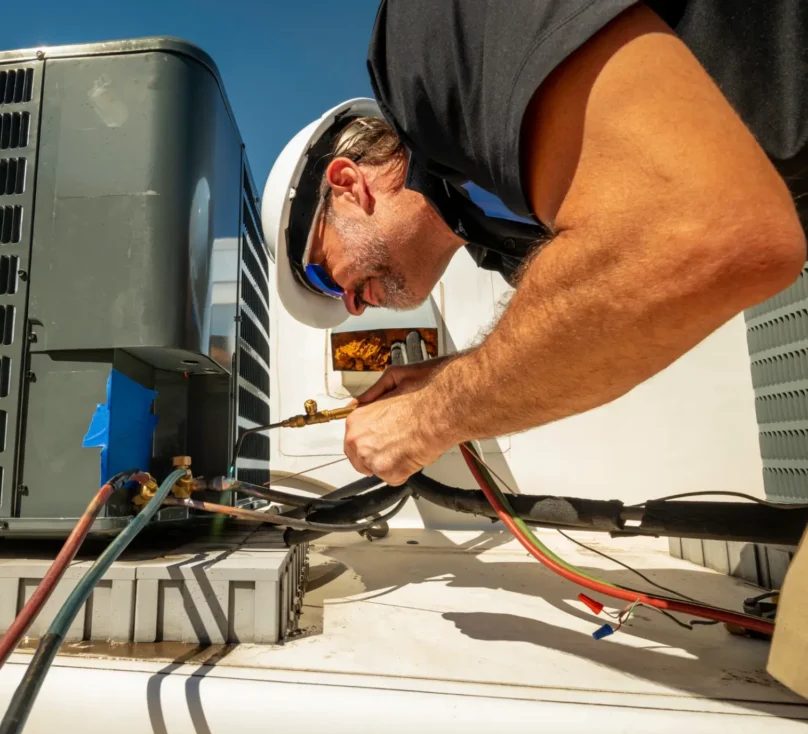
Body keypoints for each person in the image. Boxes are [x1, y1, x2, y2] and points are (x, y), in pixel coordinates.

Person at [260, 2, 807, 697]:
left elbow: (706, 232)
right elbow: (635, 298)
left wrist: (431, 418)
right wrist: (453, 382)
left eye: (320, 270)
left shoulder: (426, 39)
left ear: (346, 183)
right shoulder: (508, 236)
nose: (351, 304)